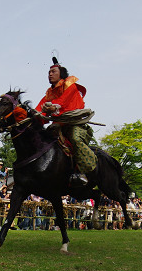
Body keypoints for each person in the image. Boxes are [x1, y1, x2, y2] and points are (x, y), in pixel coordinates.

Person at [36, 56, 97, 185]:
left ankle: (82, 172)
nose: (50, 74)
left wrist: (52, 107)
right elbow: (39, 108)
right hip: (58, 124)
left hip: (74, 123)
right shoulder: (49, 92)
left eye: (53, 72)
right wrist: (31, 115)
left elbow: (63, 102)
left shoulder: (70, 85)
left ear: (61, 74)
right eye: (49, 72)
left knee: (75, 138)